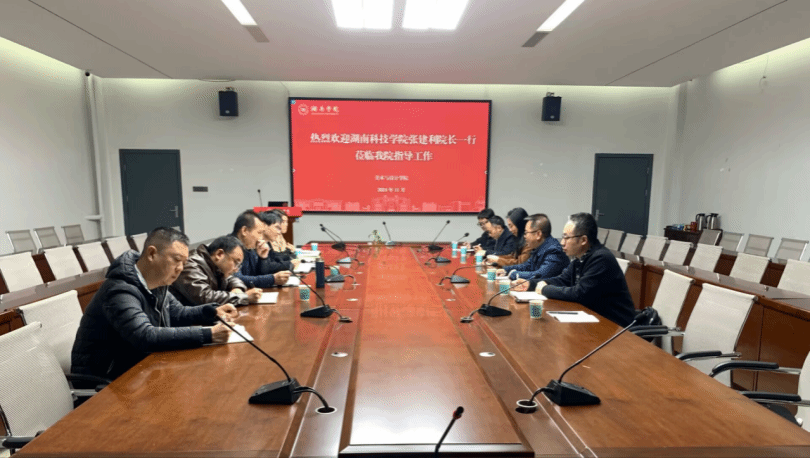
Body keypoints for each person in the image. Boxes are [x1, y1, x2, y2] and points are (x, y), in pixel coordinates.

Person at [71, 227, 238, 382]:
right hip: (107, 381)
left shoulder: (157, 282)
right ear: (152, 254)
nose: (180, 268)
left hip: (139, 369)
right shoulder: (119, 290)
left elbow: (178, 313)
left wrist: (212, 312)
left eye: (184, 263)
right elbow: (145, 336)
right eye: (176, 260)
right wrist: (208, 334)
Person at [528, 212, 635, 326]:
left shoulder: (601, 258)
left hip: (614, 324)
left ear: (583, 240)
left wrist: (545, 289)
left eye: (566, 238)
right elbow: (563, 280)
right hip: (593, 318)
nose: (562, 243)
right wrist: (530, 284)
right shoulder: (581, 257)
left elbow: (579, 293)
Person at [170, 235, 262, 306]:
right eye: (235, 262)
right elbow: (204, 298)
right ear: (219, 254)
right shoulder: (191, 265)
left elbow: (231, 278)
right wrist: (243, 297)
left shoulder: (216, 266)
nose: (236, 269)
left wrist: (237, 288)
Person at [498, 213, 569, 280]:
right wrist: (505, 270)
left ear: (538, 234)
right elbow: (527, 266)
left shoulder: (554, 251)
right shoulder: (539, 247)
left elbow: (540, 275)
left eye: (526, 233)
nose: (524, 236)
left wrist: (513, 274)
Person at [233, 210, 293, 288]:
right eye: (259, 233)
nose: (261, 238)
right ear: (244, 231)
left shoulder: (249, 247)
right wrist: (272, 279)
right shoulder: (231, 247)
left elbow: (259, 274)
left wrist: (263, 258)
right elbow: (237, 279)